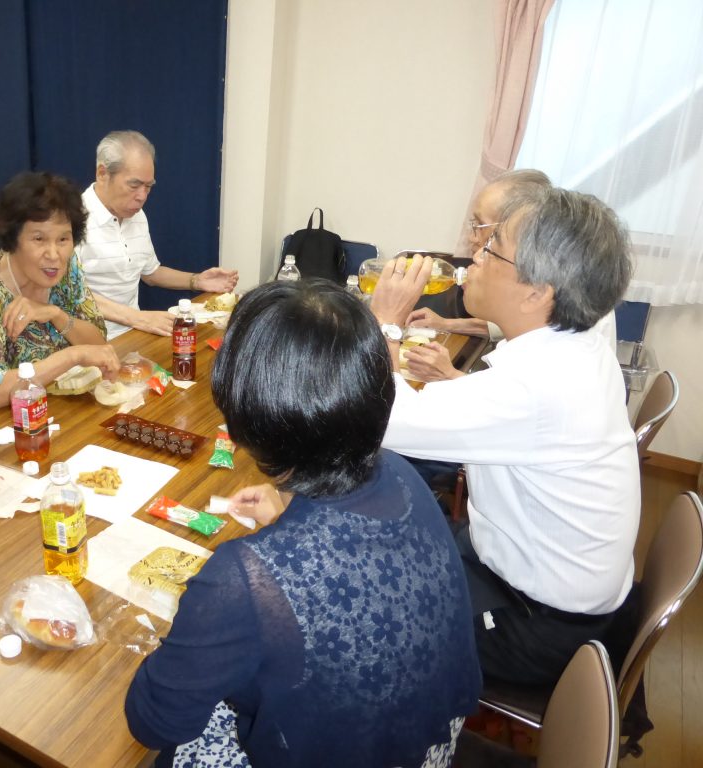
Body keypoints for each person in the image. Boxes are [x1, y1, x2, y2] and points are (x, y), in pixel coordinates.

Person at [125, 281, 481, 767]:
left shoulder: (244, 578)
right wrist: (293, 512)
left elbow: (154, 722)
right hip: (428, 748)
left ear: (246, 422)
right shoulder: (400, 472)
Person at [370, 186, 639, 687]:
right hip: (540, 580)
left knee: (350, 598)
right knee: (379, 528)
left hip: (534, 623)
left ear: (538, 292)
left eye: (492, 249)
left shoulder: (537, 385)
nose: (475, 255)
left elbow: (381, 419)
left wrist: (384, 320)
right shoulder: (577, 347)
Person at [403, 169, 616, 383]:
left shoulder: (544, 365)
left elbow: (401, 413)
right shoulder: (551, 314)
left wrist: (388, 321)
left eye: (482, 228)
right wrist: (447, 325)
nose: (474, 243)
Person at [0, 172, 119, 419]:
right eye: (39, 238)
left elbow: (100, 345)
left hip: (46, 411)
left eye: (63, 239)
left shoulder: (67, 270)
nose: (54, 253)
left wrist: (56, 314)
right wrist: (73, 355)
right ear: (13, 240)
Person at [75, 130, 238, 339]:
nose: (142, 196)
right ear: (102, 173)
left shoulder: (137, 216)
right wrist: (138, 318)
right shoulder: (71, 219)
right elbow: (70, 295)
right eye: (134, 185)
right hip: (86, 344)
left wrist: (197, 281)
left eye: (148, 187)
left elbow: (150, 273)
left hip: (133, 335)